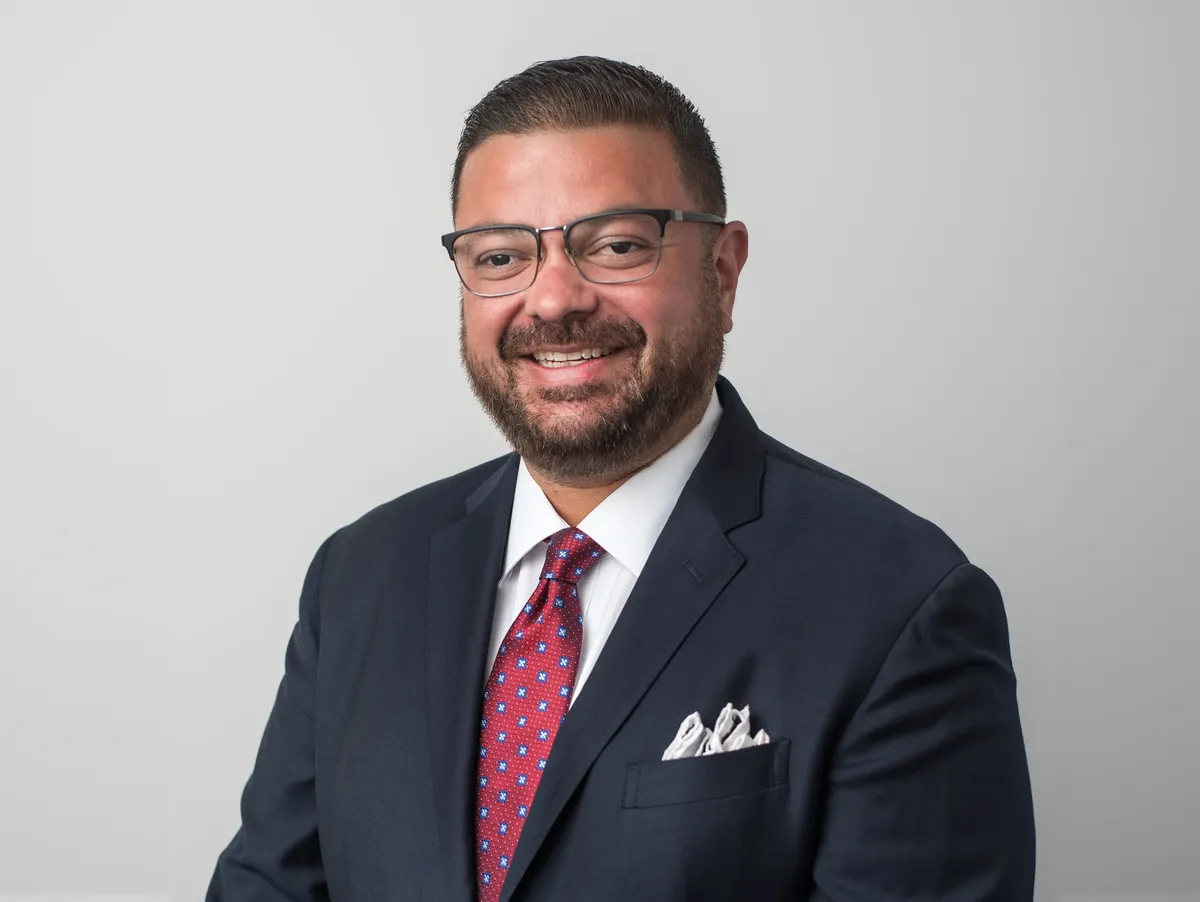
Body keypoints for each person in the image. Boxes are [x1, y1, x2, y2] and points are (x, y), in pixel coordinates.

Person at [207, 55, 1035, 901]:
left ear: (722, 270)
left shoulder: (897, 604)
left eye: (616, 246)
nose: (554, 299)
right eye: (500, 257)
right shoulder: (360, 574)